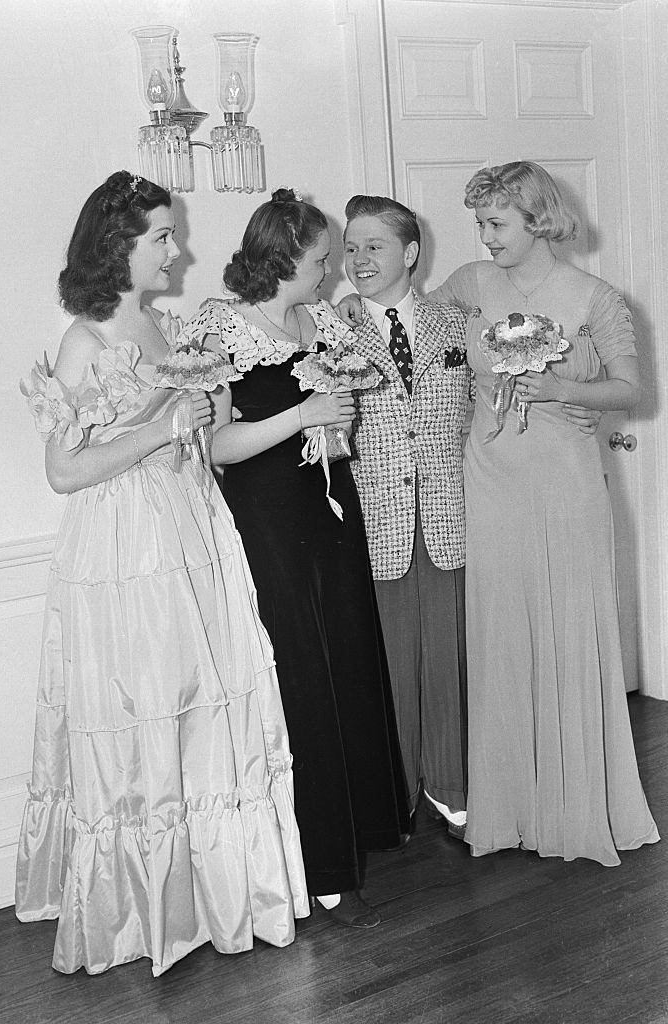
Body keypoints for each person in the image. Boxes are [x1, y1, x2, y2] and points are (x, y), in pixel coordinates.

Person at [15, 171, 308, 976]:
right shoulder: (87, 339)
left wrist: (204, 417)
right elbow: (65, 472)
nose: (175, 251)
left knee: (197, 704)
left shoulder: (159, 323)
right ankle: (138, 911)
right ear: (117, 246)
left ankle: (208, 894)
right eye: (160, 238)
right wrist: (157, 431)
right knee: (144, 707)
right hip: (125, 548)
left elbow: (192, 432)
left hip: (189, 525)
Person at [180, 188, 409, 929]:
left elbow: (330, 414)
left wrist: (334, 422)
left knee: (345, 664)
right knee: (301, 680)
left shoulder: (320, 321)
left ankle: (358, 840)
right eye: (320, 260)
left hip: (330, 509)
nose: (332, 271)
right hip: (269, 520)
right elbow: (214, 447)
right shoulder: (218, 326)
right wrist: (302, 414)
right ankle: (319, 872)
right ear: (281, 258)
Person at [426, 160, 659, 864]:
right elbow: (416, 321)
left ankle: (574, 807)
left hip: (564, 482)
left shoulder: (594, 297)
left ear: (536, 219)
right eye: (479, 224)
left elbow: (631, 392)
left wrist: (562, 388)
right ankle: (509, 806)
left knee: (565, 629)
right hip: (489, 478)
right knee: (501, 632)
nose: (484, 236)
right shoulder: (469, 282)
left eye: (496, 223)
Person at [337, 195, 470, 839]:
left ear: (410, 254)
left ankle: (448, 783)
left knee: (446, 655)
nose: (358, 260)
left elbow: (481, 412)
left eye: (374, 247)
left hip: (447, 517)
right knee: (386, 659)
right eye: (351, 248)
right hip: (373, 520)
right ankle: (395, 790)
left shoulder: (454, 324)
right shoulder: (328, 330)